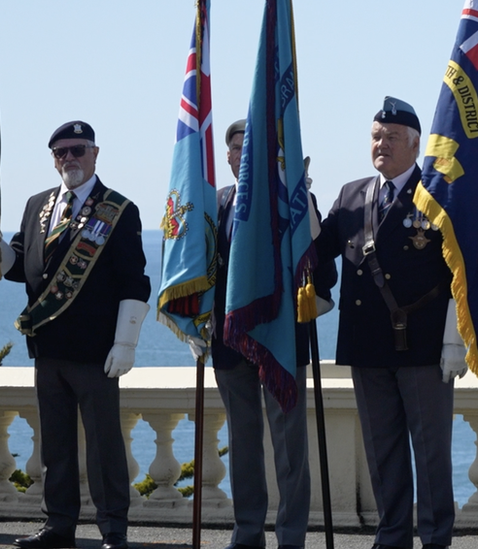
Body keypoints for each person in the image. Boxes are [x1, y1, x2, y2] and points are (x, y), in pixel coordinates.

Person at [314, 97, 466, 549]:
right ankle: (393, 535)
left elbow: (461, 273)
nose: (382, 145)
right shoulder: (351, 193)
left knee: (431, 452)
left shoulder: (438, 193)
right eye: (377, 137)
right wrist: (298, 205)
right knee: (382, 450)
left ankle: (437, 536)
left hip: (422, 345)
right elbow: (321, 253)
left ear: (415, 144)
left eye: (392, 138)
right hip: (367, 343)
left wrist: (454, 341)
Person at [6, 121, 151, 549]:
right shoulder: (37, 206)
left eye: (78, 150)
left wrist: (125, 342)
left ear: (95, 153)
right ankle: (59, 525)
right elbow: (21, 265)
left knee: (104, 445)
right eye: (61, 152)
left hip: (95, 350)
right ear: (53, 159)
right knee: (55, 446)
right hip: (48, 348)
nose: (69, 158)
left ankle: (113, 528)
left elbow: (133, 281)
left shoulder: (119, 209)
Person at [200, 119, 335, 549]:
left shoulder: (295, 201)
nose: (246, 155)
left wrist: (301, 198)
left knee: (289, 446)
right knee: (242, 443)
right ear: (228, 156)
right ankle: (247, 532)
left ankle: (291, 536)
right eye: (240, 148)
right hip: (230, 342)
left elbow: (323, 268)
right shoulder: (216, 203)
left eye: (256, 148)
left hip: (280, 338)